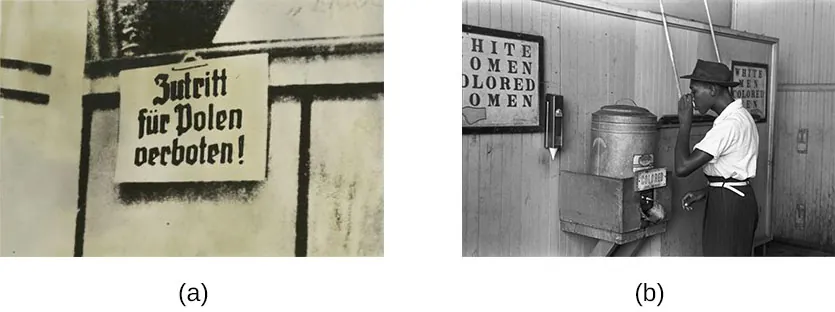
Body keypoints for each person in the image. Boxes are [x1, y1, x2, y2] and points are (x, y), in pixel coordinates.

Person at [674, 59, 759, 257]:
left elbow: (682, 167)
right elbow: (733, 170)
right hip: (736, 197)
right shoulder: (741, 116)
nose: (692, 99)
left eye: (694, 91)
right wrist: (707, 192)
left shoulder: (729, 125)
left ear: (712, 89)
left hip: (729, 205)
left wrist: (684, 124)